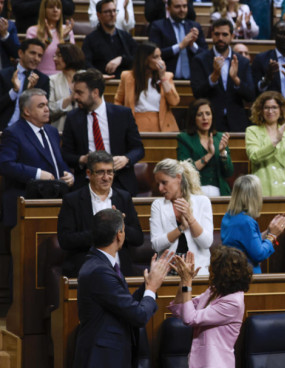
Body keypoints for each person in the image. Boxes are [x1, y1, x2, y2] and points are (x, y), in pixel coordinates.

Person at [72, 208, 174, 368]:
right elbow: (138, 315)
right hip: (102, 359)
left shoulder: (101, 265)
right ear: (119, 234)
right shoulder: (99, 270)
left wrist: (147, 286)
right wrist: (152, 288)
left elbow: (124, 306)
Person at [57, 150, 142, 278]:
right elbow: (65, 240)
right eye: (100, 172)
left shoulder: (124, 198)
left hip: (119, 271)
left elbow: (138, 238)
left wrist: (120, 226)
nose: (106, 177)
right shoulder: (72, 200)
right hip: (85, 270)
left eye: (110, 172)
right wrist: (101, 233)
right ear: (88, 173)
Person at [62, 68, 144, 194]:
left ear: (95, 93)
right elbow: (66, 154)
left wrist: (126, 159)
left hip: (119, 181)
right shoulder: (73, 118)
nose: (75, 97)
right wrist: (82, 159)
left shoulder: (122, 114)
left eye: (79, 93)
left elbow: (138, 149)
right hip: (87, 182)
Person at [0, 89, 73, 228]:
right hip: (26, 202)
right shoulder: (13, 133)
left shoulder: (52, 131)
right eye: (41, 106)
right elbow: (5, 164)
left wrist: (69, 175)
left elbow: (58, 161)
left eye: (46, 104)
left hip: (55, 200)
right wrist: (37, 174)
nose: (47, 109)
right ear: (26, 111)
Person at [168, 247, 249, 368]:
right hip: (199, 362)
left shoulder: (233, 302)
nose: (209, 270)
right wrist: (183, 281)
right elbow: (180, 309)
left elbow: (190, 318)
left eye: (213, 267)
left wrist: (187, 282)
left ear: (223, 272)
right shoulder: (214, 291)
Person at [150, 158, 214, 275]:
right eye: (158, 184)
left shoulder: (202, 202)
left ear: (178, 178)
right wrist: (180, 229)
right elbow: (156, 245)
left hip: (196, 271)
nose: (160, 189)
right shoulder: (158, 205)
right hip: (167, 271)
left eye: (164, 182)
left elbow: (206, 243)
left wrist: (190, 218)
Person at [191, 18, 255, 133]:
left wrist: (236, 80)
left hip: (237, 122)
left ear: (232, 36)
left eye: (224, 34)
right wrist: (213, 77)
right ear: (212, 35)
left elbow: (250, 95)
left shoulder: (242, 61)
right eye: (217, 34)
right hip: (210, 123)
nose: (220, 38)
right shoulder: (200, 60)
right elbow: (197, 93)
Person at [220, 175, 285, 273]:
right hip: (245, 277)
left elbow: (247, 242)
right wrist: (272, 236)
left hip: (232, 274)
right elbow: (259, 254)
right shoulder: (245, 222)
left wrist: (269, 230)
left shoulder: (229, 215)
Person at [245, 91, 285, 196]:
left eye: (274, 107)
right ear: (261, 110)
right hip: (264, 190)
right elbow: (254, 157)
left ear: (281, 110)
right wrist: (275, 141)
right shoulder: (252, 131)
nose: (270, 111)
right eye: (266, 108)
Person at [114, 41, 179, 132]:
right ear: (144, 59)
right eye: (155, 57)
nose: (160, 61)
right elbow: (118, 101)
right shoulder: (127, 77)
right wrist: (123, 121)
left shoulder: (167, 77)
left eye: (160, 56)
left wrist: (163, 78)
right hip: (135, 126)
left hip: (163, 126)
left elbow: (174, 102)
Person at [177, 98, 233, 197]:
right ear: (193, 117)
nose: (204, 118)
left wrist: (222, 152)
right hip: (195, 192)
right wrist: (209, 155)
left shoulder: (220, 137)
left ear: (212, 117)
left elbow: (229, 172)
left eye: (208, 114)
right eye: (200, 114)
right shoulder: (185, 138)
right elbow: (185, 171)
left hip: (220, 191)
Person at [148, 0, 208, 80]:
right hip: (166, 77)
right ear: (168, 8)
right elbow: (153, 54)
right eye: (177, 7)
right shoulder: (158, 26)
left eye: (184, 6)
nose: (182, 10)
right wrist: (180, 46)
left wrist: (192, 46)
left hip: (193, 80)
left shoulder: (195, 26)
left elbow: (205, 55)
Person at [0, 38, 51, 130]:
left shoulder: (43, 80)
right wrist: (14, 92)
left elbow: (43, 112)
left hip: (29, 131)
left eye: (40, 56)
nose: (36, 58)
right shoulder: (3, 75)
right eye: (32, 53)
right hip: (4, 129)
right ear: (20, 53)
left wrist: (31, 92)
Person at [83, 0, 138, 78]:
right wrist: (98, 76)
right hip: (100, 82)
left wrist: (122, 59)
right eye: (107, 12)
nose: (112, 14)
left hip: (125, 81)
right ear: (98, 15)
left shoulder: (126, 36)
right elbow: (86, 63)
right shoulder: (90, 39)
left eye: (114, 11)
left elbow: (138, 57)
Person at [25, 0, 74, 76]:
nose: (55, 10)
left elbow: (72, 57)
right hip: (39, 75)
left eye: (58, 7)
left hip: (61, 76)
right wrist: (49, 40)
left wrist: (65, 38)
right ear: (43, 10)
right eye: (51, 7)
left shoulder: (66, 30)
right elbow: (33, 57)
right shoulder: (32, 31)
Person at [48, 43, 86, 131]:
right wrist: (70, 98)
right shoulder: (52, 80)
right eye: (54, 56)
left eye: (59, 56)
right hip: (61, 131)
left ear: (70, 56)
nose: (54, 59)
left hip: (84, 130)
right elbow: (50, 110)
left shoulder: (87, 77)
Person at [0, 0, 20, 70]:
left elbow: (17, 54)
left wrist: (5, 35)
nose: (0, 6)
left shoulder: (9, 25)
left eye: (1, 2)